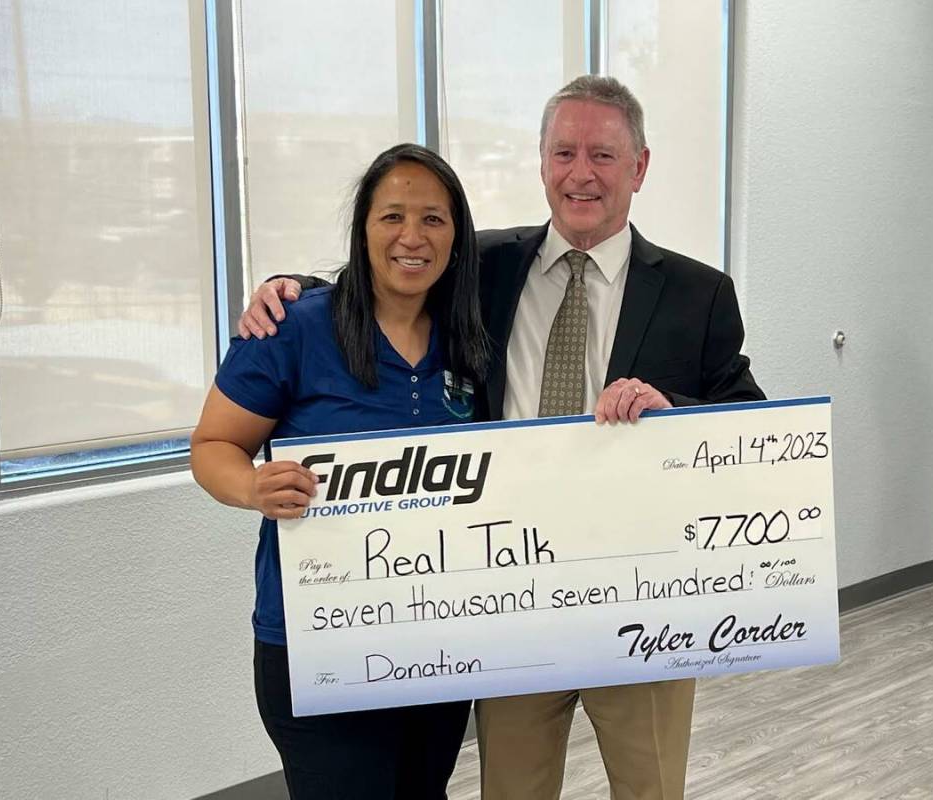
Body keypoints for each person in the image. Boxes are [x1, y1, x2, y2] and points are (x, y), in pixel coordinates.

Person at [239, 76, 765, 800]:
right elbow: (387, 270)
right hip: (509, 604)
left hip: (640, 601)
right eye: (564, 152)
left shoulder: (696, 292)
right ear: (542, 162)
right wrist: (286, 286)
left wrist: (669, 407)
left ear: (639, 167)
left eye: (604, 156)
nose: (581, 173)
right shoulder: (482, 267)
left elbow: (747, 420)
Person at [191, 143, 489, 800]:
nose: (411, 237)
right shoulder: (292, 327)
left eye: (433, 219)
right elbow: (212, 444)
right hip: (316, 641)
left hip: (435, 641)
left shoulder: (470, 336)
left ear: (457, 239)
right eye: (391, 217)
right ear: (363, 229)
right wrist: (252, 487)